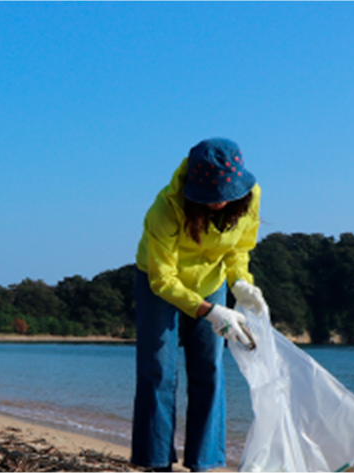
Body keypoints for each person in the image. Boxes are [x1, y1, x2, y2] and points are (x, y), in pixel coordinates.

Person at [131, 138, 267, 472]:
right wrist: (210, 312)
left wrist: (240, 283)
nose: (220, 201)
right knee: (157, 370)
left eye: (226, 193)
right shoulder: (166, 207)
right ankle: (156, 462)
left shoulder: (251, 196)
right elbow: (162, 280)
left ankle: (203, 462)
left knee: (210, 368)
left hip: (211, 283)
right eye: (212, 195)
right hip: (158, 285)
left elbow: (239, 248)